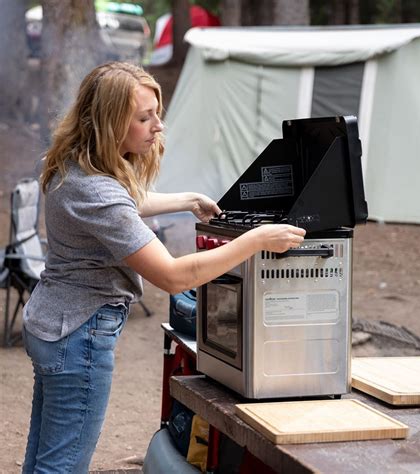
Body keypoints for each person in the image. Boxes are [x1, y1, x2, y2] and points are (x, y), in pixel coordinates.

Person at [21, 61, 305, 473]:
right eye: (143, 117)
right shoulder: (96, 190)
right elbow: (173, 275)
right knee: (61, 466)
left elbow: (122, 204)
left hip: (53, 322)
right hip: (77, 338)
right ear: (110, 122)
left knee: (43, 457)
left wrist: (186, 199)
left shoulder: (74, 162)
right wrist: (255, 241)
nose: (158, 126)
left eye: (157, 112)